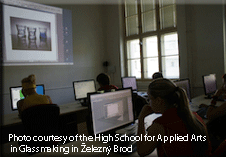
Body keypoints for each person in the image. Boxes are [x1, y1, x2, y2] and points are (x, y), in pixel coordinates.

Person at [137, 78, 211, 157]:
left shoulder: (161, 125)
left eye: (149, 99)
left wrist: (141, 119)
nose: (149, 103)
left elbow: (142, 151)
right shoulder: (194, 116)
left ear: (158, 100)